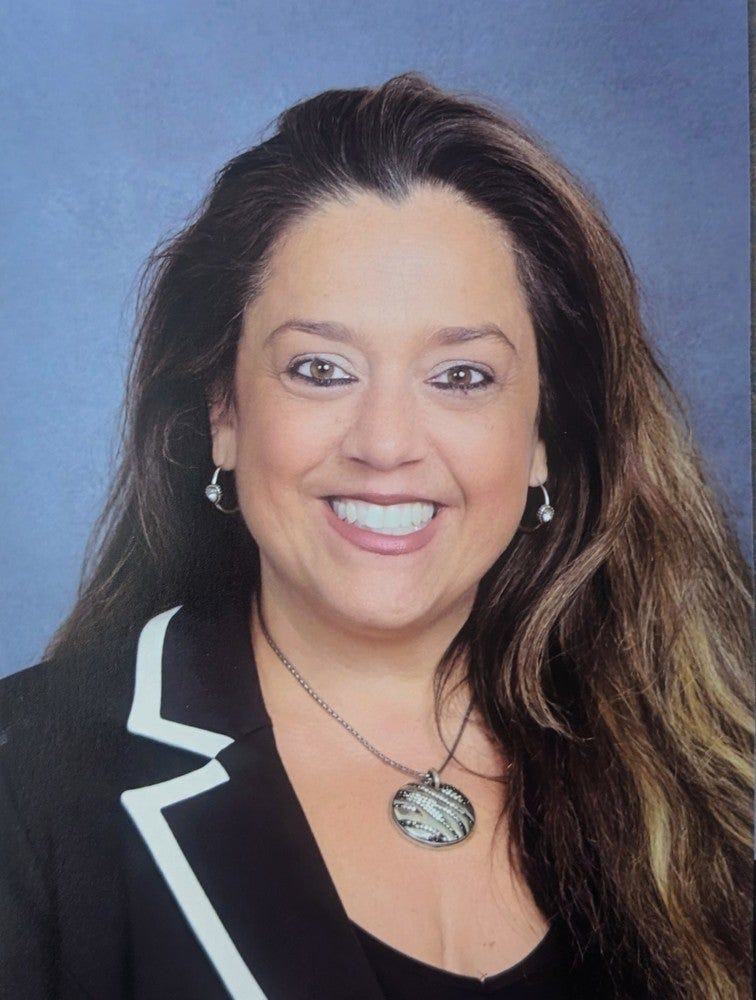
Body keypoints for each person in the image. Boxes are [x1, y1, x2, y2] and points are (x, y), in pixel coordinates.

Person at [0, 73, 750, 1000]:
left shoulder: (704, 774)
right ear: (224, 413)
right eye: (321, 369)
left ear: (544, 437)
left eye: (462, 376)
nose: (386, 444)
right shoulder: (29, 782)